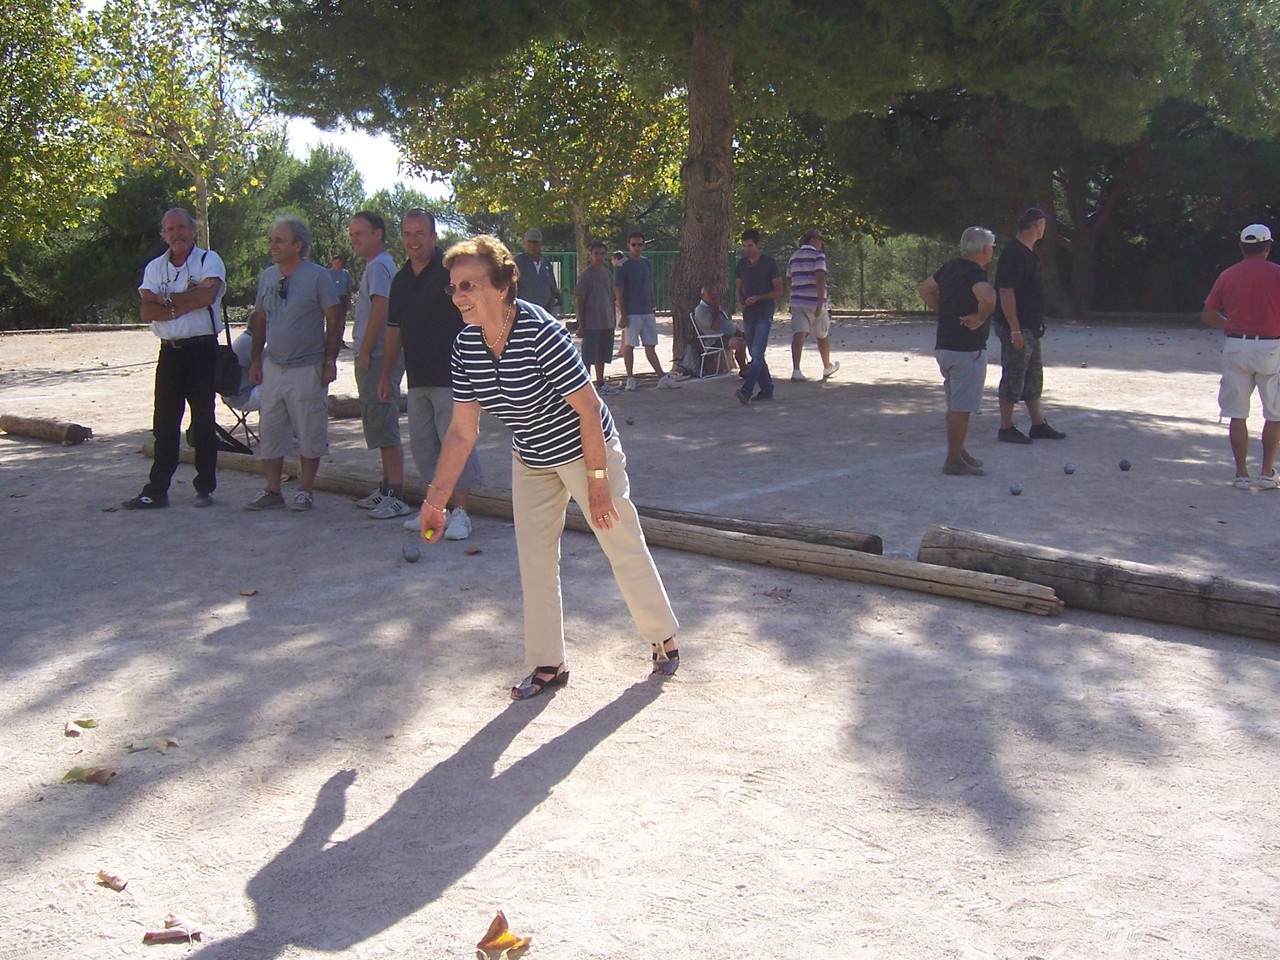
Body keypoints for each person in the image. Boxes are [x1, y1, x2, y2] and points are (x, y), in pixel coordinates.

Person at [417, 234, 680, 699]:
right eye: (453, 288)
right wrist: (435, 500)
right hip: (533, 457)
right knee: (534, 559)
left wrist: (598, 486)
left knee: (618, 537)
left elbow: (587, 409)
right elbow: (462, 430)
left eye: (469, 285)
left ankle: (662, 638)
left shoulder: (540, 332)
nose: (459, 296)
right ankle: (547, 663)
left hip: (585, 447)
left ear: (501, 286)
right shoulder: (464, 347)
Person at [380, 209, 481, 539]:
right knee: (425, 447)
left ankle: (462, 513)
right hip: (418, 377)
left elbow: (477, 316)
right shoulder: (400, 280)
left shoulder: (451, 272)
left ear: (434, 236)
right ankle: (435, 510)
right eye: (407, 234)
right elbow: (394, 330)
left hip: (454, 376)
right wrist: (386, 375)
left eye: (420, 233)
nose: (413, 240)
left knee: (458, 444)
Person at [124, 208, 226, 510]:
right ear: (163, 235)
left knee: (204, 421)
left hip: (202, 350)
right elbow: (145, 311)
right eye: (170, 230)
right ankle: (157, 490)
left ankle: (205, 486)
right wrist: (185, 300)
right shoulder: (155, 267)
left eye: (181, 228)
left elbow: (206, 297)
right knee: (165, 422)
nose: (176, 234)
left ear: (193, 230)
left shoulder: (209, 260)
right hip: (170, 352)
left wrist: (165, 301)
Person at [244, 215, 343, 512]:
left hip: (308, 367)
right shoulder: (268, 276)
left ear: (298, 245)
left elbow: (335, 318)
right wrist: (255, 360)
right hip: (273, 366)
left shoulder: (318, 276)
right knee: (271, 429)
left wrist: (329, 361)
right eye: (272, 239)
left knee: (310, 429)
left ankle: (305, 489)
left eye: (279, 240)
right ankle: (272, 490)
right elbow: (260, 319)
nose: (272, 245)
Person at [1200, 223, 1280, 489]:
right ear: (1268, 246)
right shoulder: (1277, 274)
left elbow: (1208, 315)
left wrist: (1231, 325)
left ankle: (1241, 474)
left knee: (1237, 413)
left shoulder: (1228, 275)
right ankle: (1267, 473)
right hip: (1270, 346)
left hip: (1236, 345)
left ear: (1241, 247)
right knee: (1274, 413)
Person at [917, 227, 998, 476]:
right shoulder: (976, 273)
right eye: (991, 247)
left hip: (945, 346)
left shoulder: (949, 267)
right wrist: (981, 317)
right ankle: (953, 459)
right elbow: (989, 297)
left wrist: (944, 310)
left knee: (955, 403)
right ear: (984, 250)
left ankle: (958, 449)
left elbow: (925, 288)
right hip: (966, 348)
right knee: (961, 407)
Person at [347, 211, 410, 519]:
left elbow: (382, 308)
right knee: (376, 420)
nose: (354, 239)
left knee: (383, 421)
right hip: (373, 354)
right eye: (352, 234)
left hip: (377, 355)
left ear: (378, 234)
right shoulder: (375, 266)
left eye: (360, 233)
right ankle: (386, 488)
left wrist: (367, 349)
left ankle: (397, 494)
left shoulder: (381, 266)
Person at [993, 206, 1067, 444]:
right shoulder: (1014, 253)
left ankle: (1038, 424)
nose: (1045, 229)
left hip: (1031, 327)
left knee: (1033, 377)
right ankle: (1006, 427)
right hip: (1017, 327)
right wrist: (1014, 329)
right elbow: (1005, 291)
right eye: (1044, 224)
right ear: (1037, 225)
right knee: (1014, 376)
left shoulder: (1029, 252)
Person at [615, 230, 681, 391]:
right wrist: (623, 313)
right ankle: (630, 378)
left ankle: (662, 378)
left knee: (650, 344)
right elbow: (618, 290)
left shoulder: (646, 262)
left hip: (647, 310)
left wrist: (653, 306)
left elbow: (649, 284)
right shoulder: (622, 265)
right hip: (632, 311)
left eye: (640, 244)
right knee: (629, 345)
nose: (637, 247)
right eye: (634, 244)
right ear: (628, 245)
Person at [734, 228, 783, 404]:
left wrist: (759, 298)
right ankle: (766, 388)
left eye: (750, 245)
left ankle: (747, 390)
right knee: (755, 353)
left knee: (757, 352)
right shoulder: (741, 264)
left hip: (764, 312)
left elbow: (779, 290)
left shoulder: (769, 263)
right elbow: (738, 287)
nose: (747, 249)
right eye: (744, 246)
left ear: (758, 244)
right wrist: (741, 299)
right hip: (748, 314)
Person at [786, 227, 839, 381]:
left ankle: (796, 370)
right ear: (812, 240)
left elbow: (788, 278)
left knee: (798, 334)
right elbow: (820, 277)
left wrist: (794, 292)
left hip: (797, 301)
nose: (822, 242)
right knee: (822, 336)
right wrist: (821, 300)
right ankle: (827, 367)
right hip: (815, 302)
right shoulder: (818, 256)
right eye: (820, 239)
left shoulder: (794, 256)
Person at [575, 240, 621, 394]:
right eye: (596, 254)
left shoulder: (608, 274)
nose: (599, 257)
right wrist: (581, 324)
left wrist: (614, 318)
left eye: (602, 254)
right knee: (588, 355)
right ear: (591, 255)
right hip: (591, 322)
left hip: (607, 320)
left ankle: (600, 383)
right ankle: (585, 385)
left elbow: (612, 297)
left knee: (602, 354)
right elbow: (580, 300)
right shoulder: (586, 275)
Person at [691, 282, 747, 374]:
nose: (713, 295)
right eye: (710, 293)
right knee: (739, 344)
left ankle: (756, 366)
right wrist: (716, 308)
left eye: (714, 293)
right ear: (703, 296)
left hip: (728, 335)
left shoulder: (714, 306)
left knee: (753, 338)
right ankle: (744, 370)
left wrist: (738, 332)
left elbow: (725, 322)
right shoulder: (701, 310)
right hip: (716, 339)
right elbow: (714, 326)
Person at [513, 228, 562, 316]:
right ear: (524, 243)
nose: (532, 245)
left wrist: (549, 312)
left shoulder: (546, 263)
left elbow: (552, 288)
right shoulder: (517, 262)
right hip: (524, 314)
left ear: (540, 244)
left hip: (544, 313)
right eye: (529, 241)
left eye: (535, 242)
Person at [328, 255, 354, 347]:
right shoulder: (328, 273)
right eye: (335, 263)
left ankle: (340, 341)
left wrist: (349, 301)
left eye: (338, 263)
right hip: (331, 299)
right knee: (331, 320)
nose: (336, 265)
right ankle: (330, 342)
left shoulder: (345, 273)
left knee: (342, 321)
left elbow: (349, 288)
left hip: (342, 298)